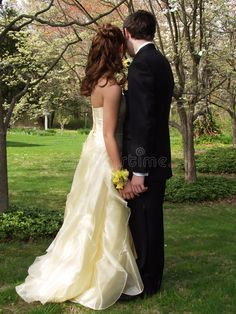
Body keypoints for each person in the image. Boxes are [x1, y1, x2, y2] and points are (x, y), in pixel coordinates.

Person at [15, 24, 143, 310]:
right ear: (115, 50)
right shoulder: (110, 87)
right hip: (104, 154)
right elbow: (109, 134)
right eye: (121, 46)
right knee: (104, 214)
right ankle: (97, 275)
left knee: (90, 214)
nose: (125, 50)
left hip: (92, 150)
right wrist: (119, 175)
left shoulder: (100, 81)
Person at [120, 10, 174, 299]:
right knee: (151, 221)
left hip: (147, 163)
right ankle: (151, 278)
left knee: (145, 223)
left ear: (128, 32)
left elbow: (142, 121)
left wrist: (138, 172)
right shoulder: (161, 61)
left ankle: (146, 284)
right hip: (159, 156)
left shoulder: (140, 65)